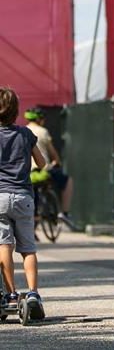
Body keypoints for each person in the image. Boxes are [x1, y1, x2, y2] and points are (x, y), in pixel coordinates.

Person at [0, 87, 46, 318]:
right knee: (28, 248)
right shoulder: (26, 134)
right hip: (23, 197)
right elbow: (42, 162)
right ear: (16, 111)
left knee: (4, 246)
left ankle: (10, 294)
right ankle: (33, 294)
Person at [24, 108, 76, 230]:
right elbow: (53, 154)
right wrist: (57, 162)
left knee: (33, 195)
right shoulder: (43, 131)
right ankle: (65, 213)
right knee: (68, 181)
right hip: (42, 171)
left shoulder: (23, 131)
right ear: (39, 119)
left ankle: (34, 221)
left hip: (27, 173)